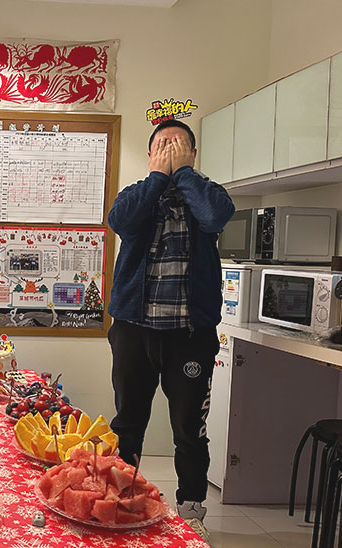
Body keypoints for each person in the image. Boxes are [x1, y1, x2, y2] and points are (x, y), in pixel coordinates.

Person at [106, 119, 234, 542]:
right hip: (133, 331)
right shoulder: (137, 193)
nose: (169, 148)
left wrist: (183, 174)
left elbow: (215, 216)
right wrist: (159, 177)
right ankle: (119, 502)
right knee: (127, 424)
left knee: (190, 431)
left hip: (190, 336)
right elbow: (121, 222)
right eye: (162, 144)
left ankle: (191, 511)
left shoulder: (208, 193)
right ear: (150, 156)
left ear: (192, 154)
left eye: (178, 144)